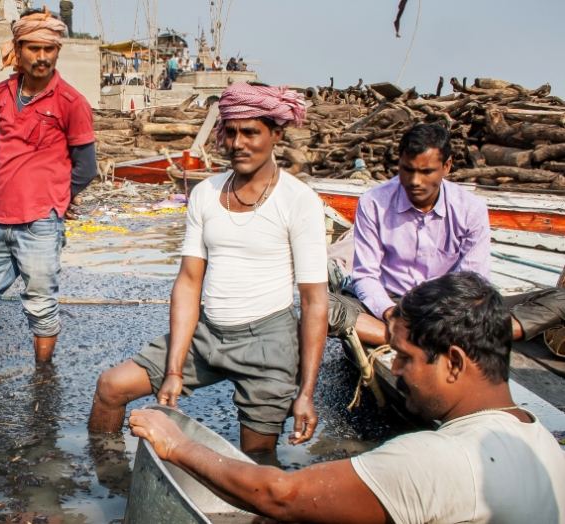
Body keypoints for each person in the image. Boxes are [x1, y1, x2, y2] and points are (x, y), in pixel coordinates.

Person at [130, 272, 565, 524]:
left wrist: (177, 444)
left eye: (405, 357)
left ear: (453, 362)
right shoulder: (540, 440)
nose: (394, 368)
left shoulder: (440, 459)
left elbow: (280, 493)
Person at [89, 83, 328, 460]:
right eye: (230, 132)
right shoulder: (205, 194)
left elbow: (314, 302)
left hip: (268, 344)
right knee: (110, 387)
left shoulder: (299, 201)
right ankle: (106, 478)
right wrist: (173, 370)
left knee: (255, 463)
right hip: (207, 335)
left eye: (250, 132)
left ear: (276, 134)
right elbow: (188, 283)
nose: (238, 143)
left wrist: (306, 393)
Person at [327, 123, 565, 348]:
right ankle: (429, 338)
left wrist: (444, 316)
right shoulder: (373, 202)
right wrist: (389, 312)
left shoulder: (470, 209)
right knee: (321, 305)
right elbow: (366, 275)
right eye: (407, 170)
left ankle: (423, 336)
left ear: (447, 166)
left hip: (450, 309)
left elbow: (473, 281)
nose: (415, 181)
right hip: (391, 302)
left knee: (561, 299)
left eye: (426, 172)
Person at [0, 7, 98, 362]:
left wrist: (57, 200)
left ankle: (43, 377)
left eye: (49, 49)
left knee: (40, 304)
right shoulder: (1, 93)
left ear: (57, 51)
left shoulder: (71, 103)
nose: (42, 57)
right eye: (34, 48)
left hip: (41, 222)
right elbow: (0, 146)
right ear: (18, 49)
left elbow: (87, 168)